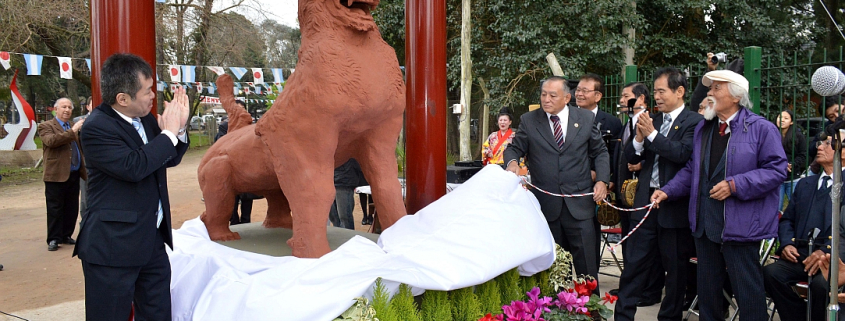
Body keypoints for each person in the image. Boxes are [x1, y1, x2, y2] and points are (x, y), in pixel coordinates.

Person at [652, 70, 787, 321]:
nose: (709, 94)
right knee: (708, 292)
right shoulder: (706, 128)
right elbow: (693, 169)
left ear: (735, 96)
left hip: (741, 225)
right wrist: (667, 191)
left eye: (716, 89)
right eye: (710, 89)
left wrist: (735, 185)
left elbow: (776, 171)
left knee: (747, 291)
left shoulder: (761, 129)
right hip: (705, 224)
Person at [75, 53, 190, 321]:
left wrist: (179, 130)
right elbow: (133, 167)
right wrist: (169, 134)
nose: (153, 96)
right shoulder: (96, 127)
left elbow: (166, 157)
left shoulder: (145, 118)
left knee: (157, 312)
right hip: (113, 246)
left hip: (151, 239)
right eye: (147, 91)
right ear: (122, 99)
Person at [504, 76, 610, 292]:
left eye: (553, 95)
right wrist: (513, 162)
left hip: (580, 207)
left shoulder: (586, 118)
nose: (547, 99)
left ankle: (592, 311)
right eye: (544, 94)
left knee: (587, 269)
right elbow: (514, 148)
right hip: (547, 207)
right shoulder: (530, 120)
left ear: (567, 97)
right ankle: (554, 311)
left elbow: (600, 151)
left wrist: (602, 180)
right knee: (552, 270)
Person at [615, 68, 703, 320]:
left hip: (673, 206)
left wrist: (652, 134)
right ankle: (622, 315)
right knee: (633, 266)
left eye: (661, 91)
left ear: (680, 91)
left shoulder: (693, 122)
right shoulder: (652, 119)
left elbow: (681, 154)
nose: (657, 97)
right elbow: (632, 156)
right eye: (655, 92)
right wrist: (641, 139)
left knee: (675, 271)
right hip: (645, 203)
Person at [763, 124, 844, 321]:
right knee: (770, 274)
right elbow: (787, 219)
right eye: (820, 142)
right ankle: (797, 317)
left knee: (820, 285)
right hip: (801, 254)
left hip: (833, 260)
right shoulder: (805, 184)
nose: (820, 147)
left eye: (828, 143)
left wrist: (827, 253)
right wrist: (787, 243)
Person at [611, 82, 666, 303]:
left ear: (641, 99)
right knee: (630, 242)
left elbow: (658, 153)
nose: (623, 100)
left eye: (627, 96)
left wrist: (642, 165)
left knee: (646, 245)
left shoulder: (651, 122)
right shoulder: (627, 124)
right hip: (625, 194)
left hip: (644, 193)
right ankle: (631, 286)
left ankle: (649, 290)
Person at [39, 98, 87, 251]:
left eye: (69, 107)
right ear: (56, 109)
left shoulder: (73, 126)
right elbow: (52, 141)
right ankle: (54, 238)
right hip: (55, 174)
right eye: (63, 107)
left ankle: (66, 235)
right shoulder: (45, 126)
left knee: (71, 207)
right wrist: (72, 132)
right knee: (55, 208)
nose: (67, 110)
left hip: (73, 173)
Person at [214, 100, 260, 225]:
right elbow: (220, 145)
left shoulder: (251, 127)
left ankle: (246, 225)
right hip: (230, 170)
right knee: (231, 203)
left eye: (242, 109)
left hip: (246, 170)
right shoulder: (224, 127)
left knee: (247, 201)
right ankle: (234, 225)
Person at [776, 109, 807, 211]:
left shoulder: (798, 136)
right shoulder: (771, 134)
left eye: (786, 118)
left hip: (793, 177)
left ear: (792, 122)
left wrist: (791, 165)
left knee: (797, 208)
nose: (782, 120)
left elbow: (803, 154)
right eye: (780, 117)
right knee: (776, 209)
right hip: (776, 177)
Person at [328, 158, 367, 230]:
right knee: (333, 216)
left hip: (344, 180)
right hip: (329, 179)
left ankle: (347, 239)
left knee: (345, 217)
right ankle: (339, 238)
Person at [73, 97, 94, 225]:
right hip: (85, 163)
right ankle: (85, 224)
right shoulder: (78, 121)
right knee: (85, 197)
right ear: (87, 107)